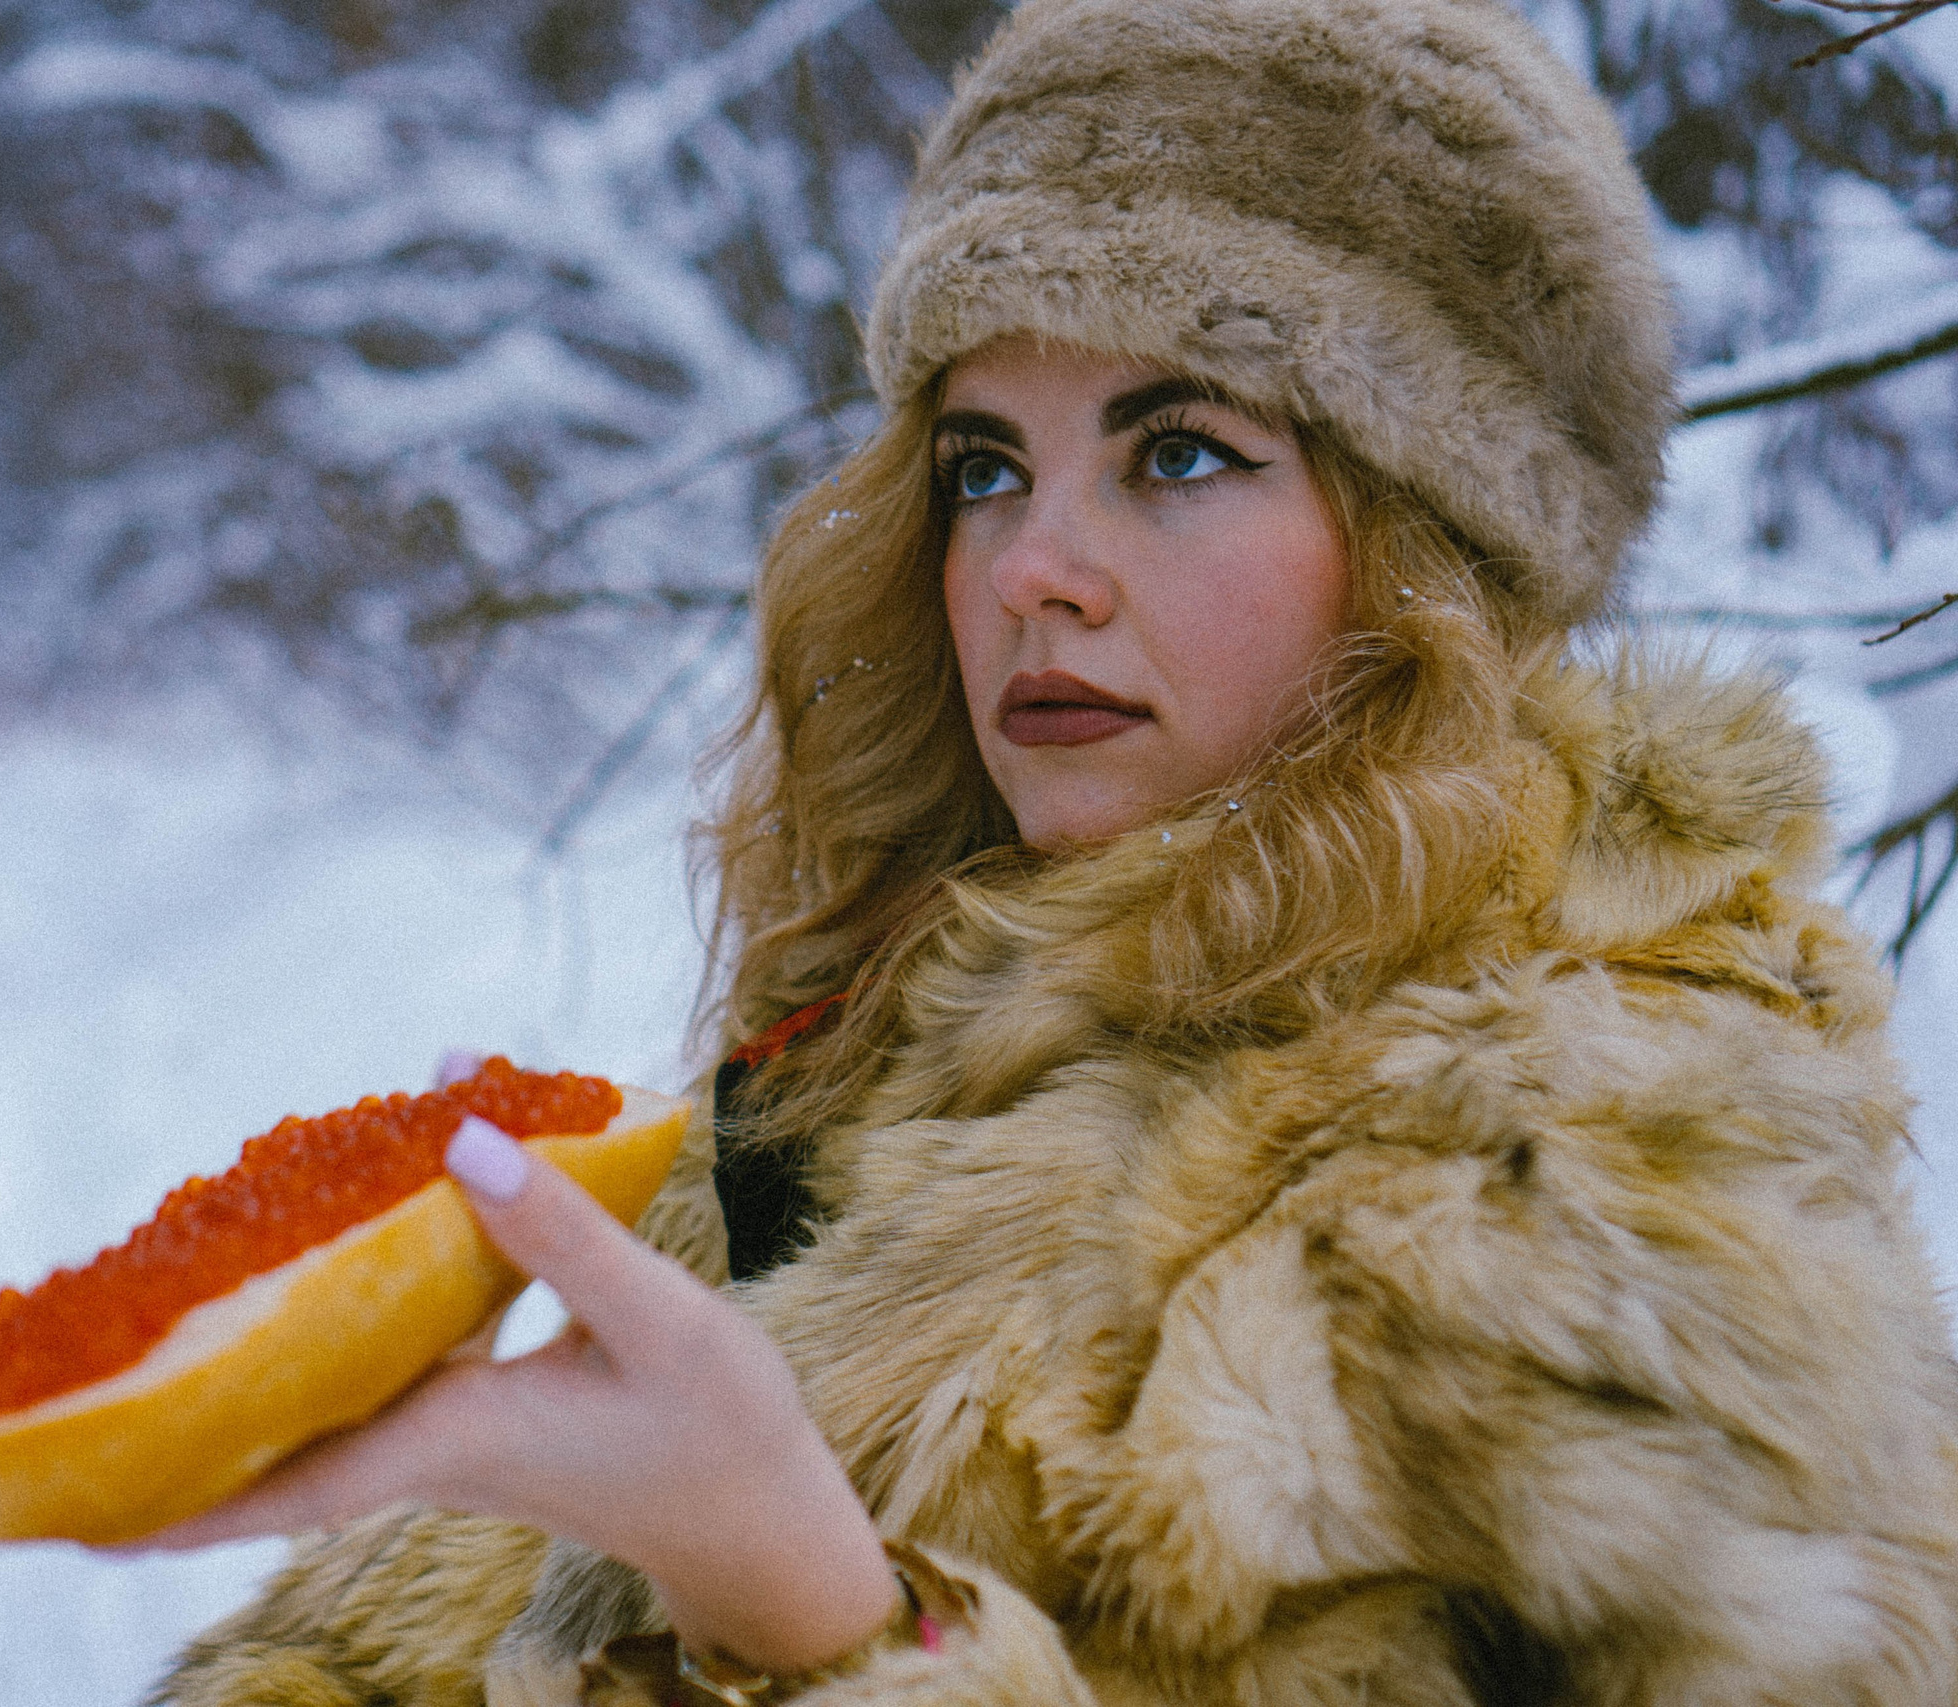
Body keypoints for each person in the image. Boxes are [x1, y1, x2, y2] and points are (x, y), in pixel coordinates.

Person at [134, 0, 1958, 1699]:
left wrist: (815, 1623)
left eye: (1180, 454)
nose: (1028, 569)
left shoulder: (1610, 1181)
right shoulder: (879, 1046)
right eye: (986, 467)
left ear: (1434, 550)